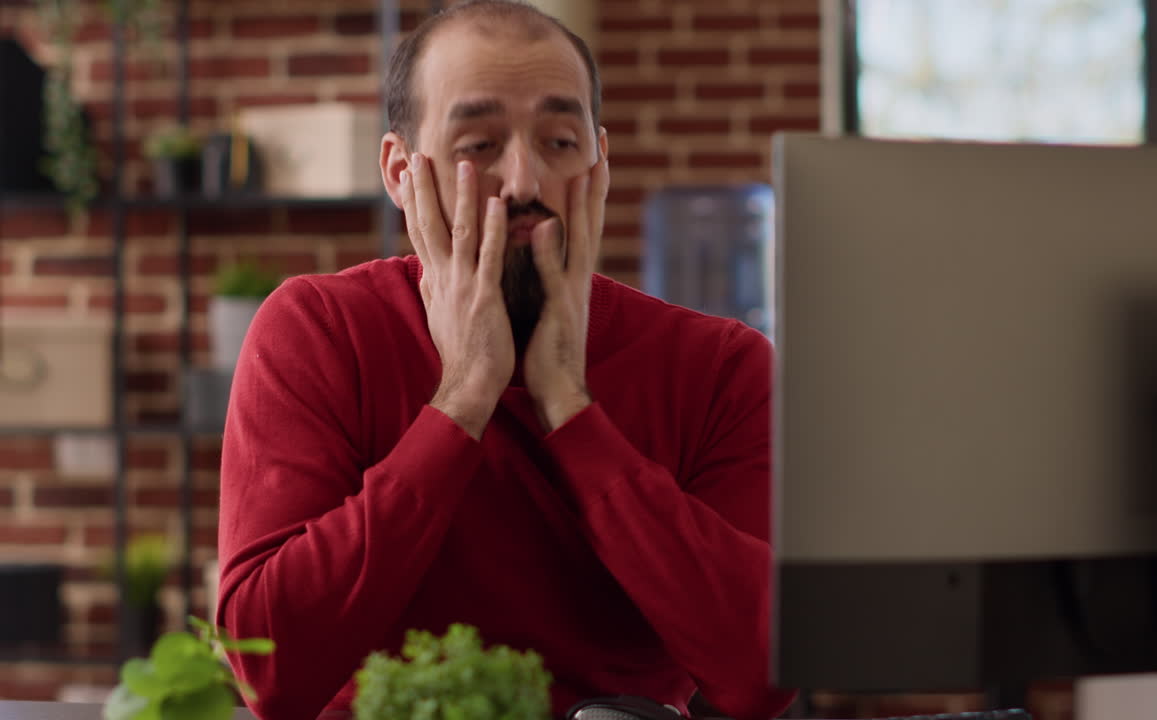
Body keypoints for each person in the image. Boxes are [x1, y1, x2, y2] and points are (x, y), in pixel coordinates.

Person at [215, 2, 794, 719]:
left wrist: (571, 412)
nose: (524, 182)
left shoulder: (721, 368)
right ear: (401, 172)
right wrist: (462, 397)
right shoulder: (318, 331)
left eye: (557, 141)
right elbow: (267, 671)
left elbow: (765, 675)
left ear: (599, 165)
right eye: (478, 146)